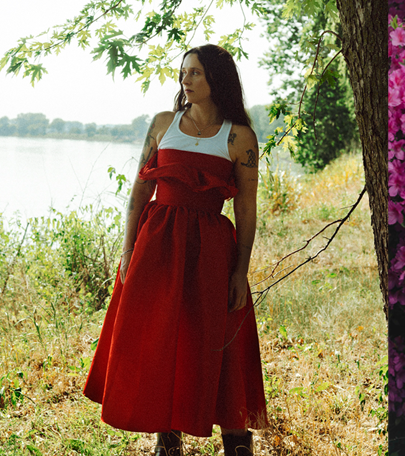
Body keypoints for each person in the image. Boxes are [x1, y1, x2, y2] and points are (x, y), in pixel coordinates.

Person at [83, 44, 267, 456]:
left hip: (212, 251)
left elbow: (246, 211)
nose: (185, 79)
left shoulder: (240, 137)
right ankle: (167, 441)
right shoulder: (164, 124)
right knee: (160, 337)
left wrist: (240, 272)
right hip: (157, 246)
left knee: (215, 340)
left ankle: (236, 442)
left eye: (195, 73)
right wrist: (128, 249)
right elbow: (140, 189)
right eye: (184, 72)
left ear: (216, 78)